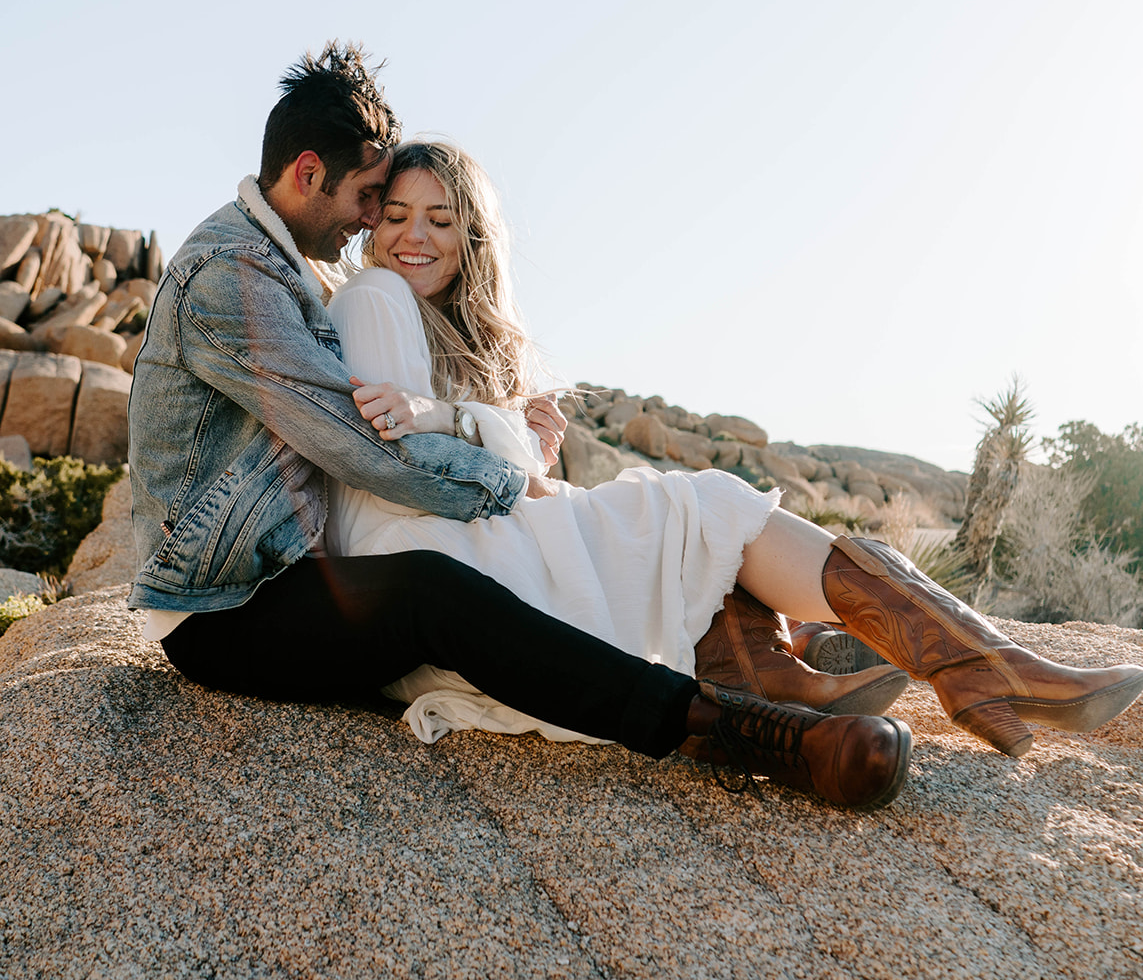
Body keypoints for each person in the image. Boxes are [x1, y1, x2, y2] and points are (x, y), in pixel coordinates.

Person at [128, 42, 914, 813]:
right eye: (369, 197)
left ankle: (770, 651)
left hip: (286, 575)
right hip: (224, 608)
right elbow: (363, 448)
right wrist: (517, 481)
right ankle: (747, 734)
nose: (373, 220)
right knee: (431, 594)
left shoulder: (286, 265)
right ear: (307, 174)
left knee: (475, 574)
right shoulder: (230, 277)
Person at [327, 135, 1143, 766]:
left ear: (472, 235)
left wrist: (518, 447)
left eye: (440, 219)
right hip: (436, 568)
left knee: (681, 510)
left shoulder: (450, 325)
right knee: (693, 505)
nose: (414, 238)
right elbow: (406, 460)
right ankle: (980, 668)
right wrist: (499, 434)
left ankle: (806, 672)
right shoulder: (377, 296)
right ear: (369, 226)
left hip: (472, 545)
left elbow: (478, 464)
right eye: (395, 217)